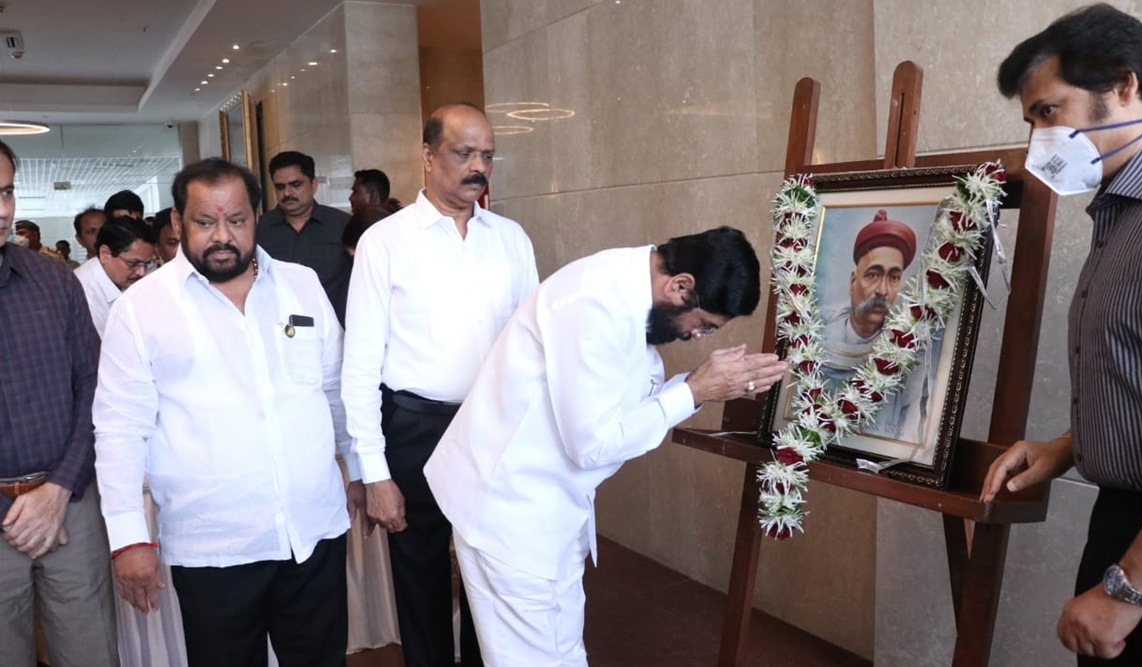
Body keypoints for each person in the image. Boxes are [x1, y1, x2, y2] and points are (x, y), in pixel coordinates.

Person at [424, 227, 788, 665]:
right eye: (704, 326)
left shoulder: (628, 285)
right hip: (509, 512)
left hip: (548, 509)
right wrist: (693, 391)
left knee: (563, 652)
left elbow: (616, 409)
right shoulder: (593, 302)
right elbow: (593, 445)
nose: (696, 337)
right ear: (681, 285)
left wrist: (694, 387)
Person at [983, 5, 1142, 664]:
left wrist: (1127, 589)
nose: (1038, 141)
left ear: (1122, 84)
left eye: (1049, 112)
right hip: (1133, 525)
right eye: (1031, 122)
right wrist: (1068, 446)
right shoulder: (1127, 202)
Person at [93, 158, 363, 667]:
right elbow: (119, 430)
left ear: (256, 217)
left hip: (313, 533)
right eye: (204, 222)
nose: (222, 236)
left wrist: (360, 470)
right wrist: (129, 538)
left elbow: (333, 390)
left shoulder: (300, 285)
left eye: (236, 220)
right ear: (177, 222)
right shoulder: (142, 308)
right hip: (214, 547)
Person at [342, 102, 538, 667]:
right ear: (427, 156)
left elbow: (533, 343)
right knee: (420, 576)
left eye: (487, 155)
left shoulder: (511, 239)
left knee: (491, 572)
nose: (478, 167)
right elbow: (359, 365)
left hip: (495, 427)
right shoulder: (386, 242)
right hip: (415, 428)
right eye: (464, 153)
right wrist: (374, 473)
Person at [0, 140, 119, 666]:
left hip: (69, 506)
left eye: (6, 192)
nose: (3, 210)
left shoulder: (52, 281)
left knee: (90, 651)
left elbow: (93, 386)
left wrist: (57, 489)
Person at [822, 210, 930, 442]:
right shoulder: (818, 337)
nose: (883, 290)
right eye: (873, 275)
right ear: (853, 282)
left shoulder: (909, 353)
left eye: (894, 277)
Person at [257, 151, 353, 324]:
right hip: (278, 333)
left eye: (296, 184)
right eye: (280, 187)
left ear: (313, 184)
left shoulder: (343, 226)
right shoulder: (259, 229)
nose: (287, 193)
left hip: (334, 331)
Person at [74, 216, 155, 333]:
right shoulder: (84, 294)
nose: (141, 272)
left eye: (146, 264)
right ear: (105, 254)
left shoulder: (117, 278)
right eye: (133, 263)